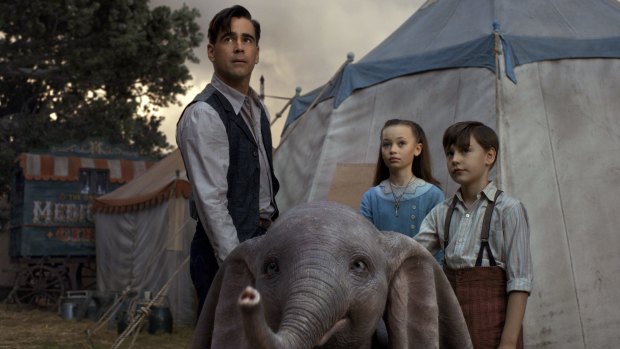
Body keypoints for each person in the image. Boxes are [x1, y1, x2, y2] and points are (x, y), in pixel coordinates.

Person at [176, 5, 279, 319]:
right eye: (228, 39)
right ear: (211, 50)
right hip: (225, 250)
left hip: (263, 241)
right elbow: (212, 203)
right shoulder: (204, 114)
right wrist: (236, 268)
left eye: (247, 40)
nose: (239, 46)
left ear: (257, 53)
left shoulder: (258, 110)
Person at [414, 121, 532, 349]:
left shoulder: (508, 210)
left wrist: (507, 343)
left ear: (489, 156)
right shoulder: (441, 213)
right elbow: (412, 252)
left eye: (465, 151)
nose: (455, 159)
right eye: (450, 153)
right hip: (452, 332)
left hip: (494, 332)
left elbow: (520, 282)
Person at [359, 119, 444, 245]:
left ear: (417, 149)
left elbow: (439, 248)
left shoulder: (433, 195)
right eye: (386, 144)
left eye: (401, 143)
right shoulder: (371, 197)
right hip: (380, 264)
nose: (392, 150)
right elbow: (362, 243)